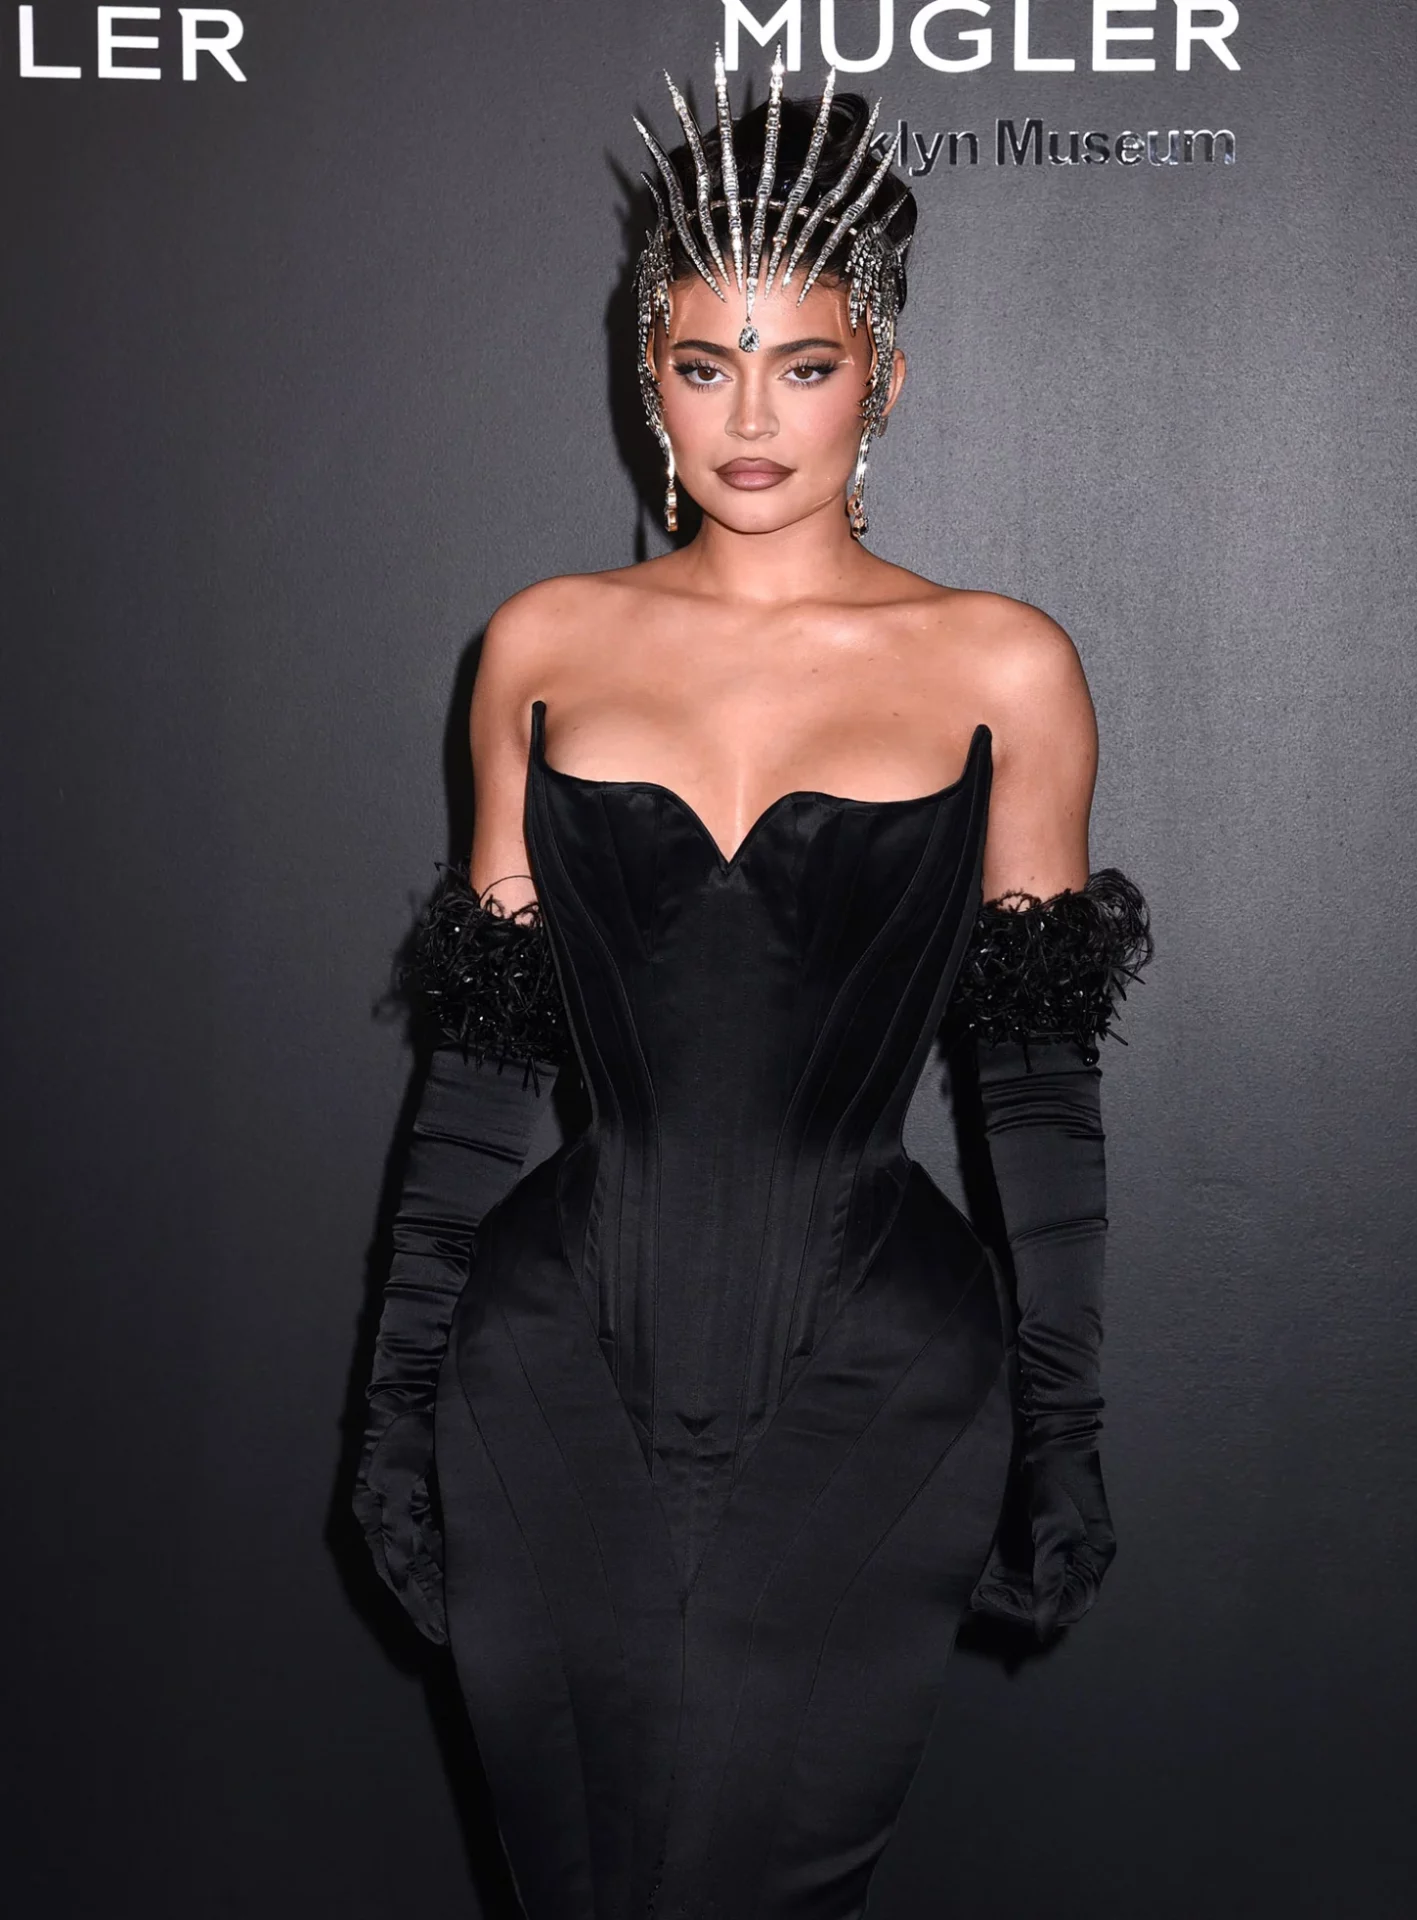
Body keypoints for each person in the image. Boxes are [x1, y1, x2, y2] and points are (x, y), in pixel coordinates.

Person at [352, 46, 1151, 1920]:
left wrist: (1064, 1432)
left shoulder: (1003, 666)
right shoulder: (544, 643)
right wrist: (392, 1407)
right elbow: (478, 1075)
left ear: (884, 376)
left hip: (873, 1373)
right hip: (550, 1369)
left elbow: (1035, 1097)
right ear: (649, 374)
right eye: (706, 365)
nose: (752, 416)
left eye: (803, 363)